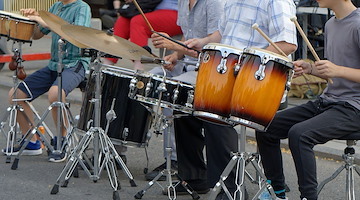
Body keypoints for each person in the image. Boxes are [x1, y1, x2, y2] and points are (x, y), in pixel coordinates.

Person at [151, 0, 298, 199]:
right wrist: (202, 42)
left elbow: (287, 44)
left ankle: (229, 190)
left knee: (215, 115)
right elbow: (223, 34)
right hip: (228, 72)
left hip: (258, 79)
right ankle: (195, 177)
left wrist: (247, 62)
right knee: (185, 103)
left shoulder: (277, 1)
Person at [256, 0, 360, 200]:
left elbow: (339, 70)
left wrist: (337, 70)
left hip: (354, 107)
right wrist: (311, 68)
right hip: (328, 101)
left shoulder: (358, 25)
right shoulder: (330, 24)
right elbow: (332, 72)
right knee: (266, 126)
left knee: (300, 134)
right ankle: (277, 191)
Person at [149, 0, 239, 197]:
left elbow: (216, 45)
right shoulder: (183, 2)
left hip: (209, 69)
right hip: (188, 64)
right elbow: (188, 35)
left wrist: (175, 45)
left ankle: (173, 158)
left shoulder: (214, 3)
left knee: (174, 91)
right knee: (151, 78)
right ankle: (193, 177)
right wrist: (175, 54)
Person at [2, 0, 91, 162]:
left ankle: (62, 141)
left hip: (75, 64)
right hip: (53, 65)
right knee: (16, 94)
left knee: (55, 94)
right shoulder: (55, 7)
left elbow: (76, 35)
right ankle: (31, 141)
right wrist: (32, 19)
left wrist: (45, 21)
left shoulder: (82, 7)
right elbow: (36, 35)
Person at [104, 0, 182, 66]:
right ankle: (106, 65)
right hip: (153, 9)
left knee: (138, 21)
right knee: (123, 21)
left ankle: (139, 68)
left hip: (176, 12)